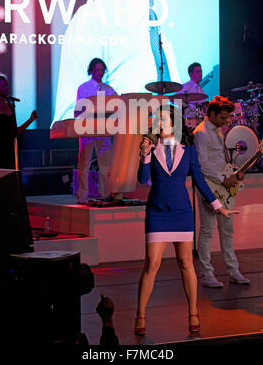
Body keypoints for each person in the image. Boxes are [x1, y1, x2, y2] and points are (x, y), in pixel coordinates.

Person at [135, 104, 238, 335]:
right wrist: (145, 154)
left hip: (181, 211)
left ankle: (193, 312)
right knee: (152, 264)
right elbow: (142, 179)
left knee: (186, 262)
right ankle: (140, 315)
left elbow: (199, 179)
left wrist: (218, 205)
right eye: (157, 120)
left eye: (163, 120)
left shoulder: (188, 148)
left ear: (175, 123)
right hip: (158, 211)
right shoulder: (152, 146)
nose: (158, 124)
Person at [193, 96, 250, 287]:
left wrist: (234, 172)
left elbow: (220, 158)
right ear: (211, 114)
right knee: (207, 230)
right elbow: (202, 164)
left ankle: (234, 271)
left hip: (222, 184)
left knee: (227, 231)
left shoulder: (218, 130)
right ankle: (207, 274)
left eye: (227, 118)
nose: (226, 121)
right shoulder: (201, 133)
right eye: (222, 118)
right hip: (209, 185)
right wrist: (222, 180)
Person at [75, 58, 117, 204]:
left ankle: (105, 193)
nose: (99, 73)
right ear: (91, 70)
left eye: (102, 70)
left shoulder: (109, 89)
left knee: (105, 164)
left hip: (104, 129)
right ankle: (82, 195)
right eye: (97, 69)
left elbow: (118, 106)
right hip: (87, 128)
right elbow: (79, 109)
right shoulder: (84, 88)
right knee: (84, 163)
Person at [0, 75, 37, 169]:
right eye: (3, 85)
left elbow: (15, 131)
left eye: (7, 84)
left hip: (10, 149)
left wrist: (31, 120)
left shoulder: (10, 105)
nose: (7, 87)